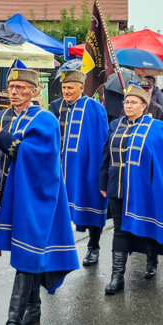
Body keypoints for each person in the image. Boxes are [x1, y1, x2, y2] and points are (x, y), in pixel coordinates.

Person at [0, 64, 79, 325]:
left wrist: (1, 136)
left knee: (26, 256)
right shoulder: (2, 117)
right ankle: (34, 308)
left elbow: (33, 156)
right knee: (27, 252)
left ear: (34, 90)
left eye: (20, 88)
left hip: (38, 197)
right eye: (11, 87)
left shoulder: (45, 119)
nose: (14, 92)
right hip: (11, 194)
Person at [98, 84, 163, 293]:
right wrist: (103, 182)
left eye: (134, 102)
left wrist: (159, 189)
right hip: (117, 186)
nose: (129, 106)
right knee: (120, 230)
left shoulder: (156, 128)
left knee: (146, 226)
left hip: (144, 189)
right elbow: (106, 154)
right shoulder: (115, 125)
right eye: (126, 102)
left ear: (144, 106)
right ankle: (117, 277)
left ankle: (152, 258)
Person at [48, 69, 108, 268]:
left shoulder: (94, 108)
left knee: (91, 204)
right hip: (59, 167)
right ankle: (56, 248)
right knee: (57, 209)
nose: (66, 91)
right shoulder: (56, 106)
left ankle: (93, 247)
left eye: (70, 87)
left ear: (81, 87)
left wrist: (98, 172)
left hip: (85, 169)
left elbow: (100, 142)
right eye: (64, 87)